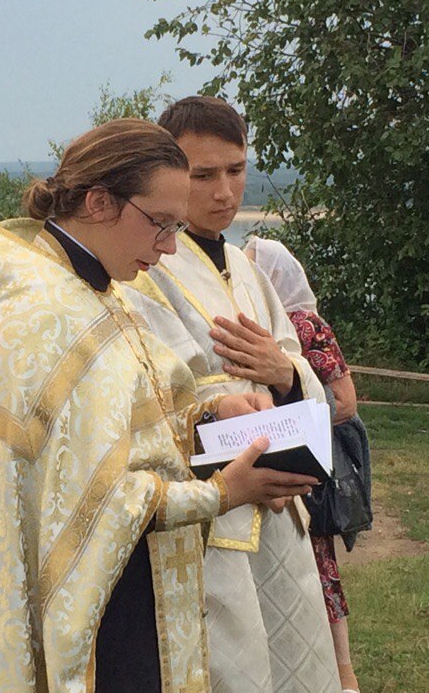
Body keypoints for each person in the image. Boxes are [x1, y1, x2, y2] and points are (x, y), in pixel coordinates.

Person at [0, 118, 320, 693]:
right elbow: (96, 501)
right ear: (99, 202)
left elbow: (133, 423)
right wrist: (224, 493)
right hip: (94, 596)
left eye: (177, 226)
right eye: (161, 224)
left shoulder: (90, 287)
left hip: (125, 576)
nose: (170, 246)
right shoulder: (48, 312)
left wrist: (209, 418)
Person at [124, 96, 342, 693]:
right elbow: (152, 396)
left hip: (282, 507)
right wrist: (226, 402)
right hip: (214, 514)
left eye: (236, 170)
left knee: (295, 660)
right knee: (234, 665)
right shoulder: (145, 271)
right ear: (169, 174)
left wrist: (283, 372)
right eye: (203, 175)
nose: (224, 192)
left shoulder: (248, 271)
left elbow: (299, 374)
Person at [245, 236, 366, 693]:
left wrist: (292, 412)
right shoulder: (260, 323)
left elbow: (345, 402)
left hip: (304, 456)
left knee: (319, 566)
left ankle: (343, 676)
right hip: (272, 454)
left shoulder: (304, 326)